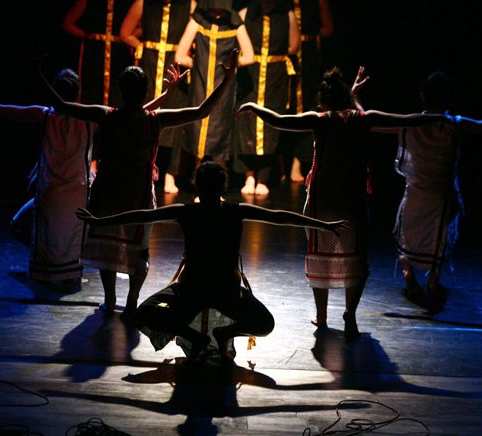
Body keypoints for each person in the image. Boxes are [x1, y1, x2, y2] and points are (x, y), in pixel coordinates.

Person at [237, 66, 449, 341]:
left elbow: (279, 120)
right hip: (352, 199)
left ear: (324, 102)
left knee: (319, 255)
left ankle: (322, 315)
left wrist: (253, 106)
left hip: (322, 199)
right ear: (346, 99)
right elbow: (408, 120)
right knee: (358, 258)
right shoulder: (363, 119)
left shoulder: (319, 120)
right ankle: (350, 313)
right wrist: (438, 116)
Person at [75, 160, 348, 362]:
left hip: (193, 291)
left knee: (144, 314)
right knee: (265, 323)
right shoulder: (234, 211)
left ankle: (196, 336)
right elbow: (280, 216)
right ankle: (218, 334)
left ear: (196, 185)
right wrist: (322, 225)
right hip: (222, 292)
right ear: (224, 186)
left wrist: (101, 221)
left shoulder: (187, 211)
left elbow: (141, 215)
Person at [41, 49, 240, 321]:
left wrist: (37, 71)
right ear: (145, 92)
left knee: (108, 248)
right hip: (139, 197)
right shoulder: (154, 120)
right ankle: (131, 300)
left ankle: (110, 300)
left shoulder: (107, 115)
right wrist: (227, 78)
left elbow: (61, 105)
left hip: (109, 195)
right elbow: (202, 111)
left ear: (120, 91)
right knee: (139, 253)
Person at [370, 68, 482, 312]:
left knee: (406, 237)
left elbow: (368, 121)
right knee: (439, 238)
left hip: (416, 195)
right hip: (441, 196)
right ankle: (432, 279)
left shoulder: (409, 123)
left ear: (423, 96)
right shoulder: (453, 124)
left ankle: (409, 275)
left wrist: (354, 97)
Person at [0, 54, 97, 290]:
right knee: (69, 234)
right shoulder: (90, 120)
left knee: (22, 226)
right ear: (78, 93)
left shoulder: (44, 115)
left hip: (51, 191)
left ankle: (54, 265)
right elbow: (126, 116)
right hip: (76, 193)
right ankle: (63, 268)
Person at [120, 0, 197, 194]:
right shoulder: (143, 3)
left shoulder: (189, 5)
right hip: (149, 64)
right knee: (143, 117)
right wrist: (141, 47)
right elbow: (125, 33)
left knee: (175, 119)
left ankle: (170, 174)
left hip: (174, 65)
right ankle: (140, 170)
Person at [174, 0, 255, 173]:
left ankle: (219, 177)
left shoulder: (235, 24)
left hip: (224, 87)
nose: (218, 15)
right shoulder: (197, 21)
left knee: (220, 130)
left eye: (221, 11)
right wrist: (197, 64)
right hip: (200, 84)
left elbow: (249, 57)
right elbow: (180, 56)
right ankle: (199, 176)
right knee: (198, 129)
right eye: (214, 10)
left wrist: (231, 65)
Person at [232, 0, 299, 196]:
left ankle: (263, 177)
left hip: (275, 76)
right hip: (250, 75)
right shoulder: (244, 13)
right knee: (246, 125)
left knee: (270, 127)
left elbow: (293, 46)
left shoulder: (287, 15)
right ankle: (249, 176)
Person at [285, 0, 333, 183]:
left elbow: (328, 29)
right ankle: (278, 163)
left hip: (309, 56)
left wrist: (310, 34)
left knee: (307, 106)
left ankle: (298, 161)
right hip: (284, 53)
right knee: (284, 105)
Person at [62, 0, 134, 106]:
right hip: (94, 54)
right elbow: (67, 24)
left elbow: (141, 27)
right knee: (92, 91)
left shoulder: (131, 2)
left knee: (117, 92)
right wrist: (88, 36)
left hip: (118, 54)